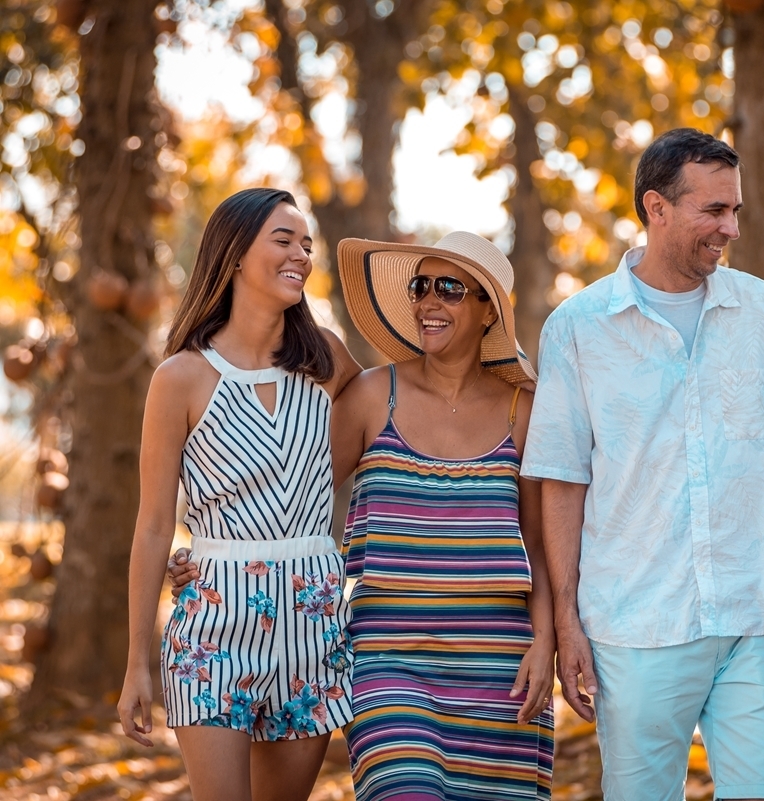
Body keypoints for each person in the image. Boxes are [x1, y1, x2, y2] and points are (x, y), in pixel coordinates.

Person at [522, 127, 764, 801]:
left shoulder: (763, 311)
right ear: (656, 208)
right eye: (714, 211)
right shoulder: (579, 328)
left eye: (736, 210)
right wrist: (567, 620)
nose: (731, 227)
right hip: (637, 626)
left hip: (758, 615)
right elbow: (563, 481)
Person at [117, 188, 361, 801]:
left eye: (306, 245)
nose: (301, 255)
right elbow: (151, 527)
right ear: (232, 254)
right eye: (283, 240)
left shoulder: (325, 358)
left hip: (314, 619)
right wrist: (134, 666)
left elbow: (390, 417)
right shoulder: (180, 379)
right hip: (213, 628)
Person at [330, 232, 553, 799]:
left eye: (450, 289)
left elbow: (540, 543)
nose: (429, 301)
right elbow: (293, 504)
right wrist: (209, 553)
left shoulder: (521, 410)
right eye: (421, 286)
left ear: (487, 311)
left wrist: (545, 640)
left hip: (499, 671)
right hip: (387, 664)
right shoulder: (369, 396)